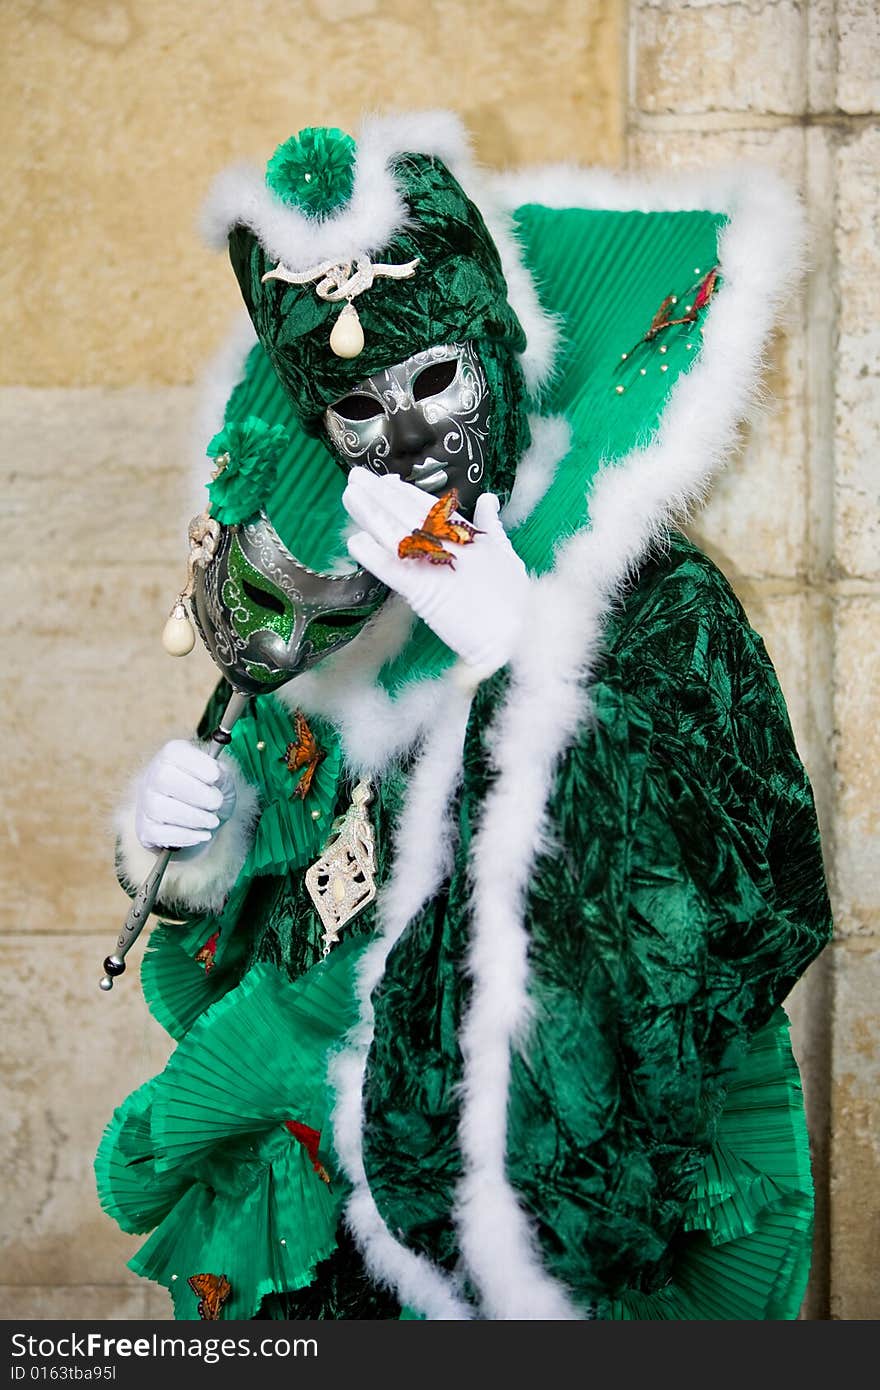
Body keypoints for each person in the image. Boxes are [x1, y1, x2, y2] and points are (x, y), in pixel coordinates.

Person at [96, 113, 833, 1320]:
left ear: (494, 352)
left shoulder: (651, 595)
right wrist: (200, 844)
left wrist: (523, 652)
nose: (413, 435)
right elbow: (301, 893)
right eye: (360, 410)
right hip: (343, 1188)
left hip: (559, 1196)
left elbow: (745, 893)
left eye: (436, 377)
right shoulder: (346, 616)